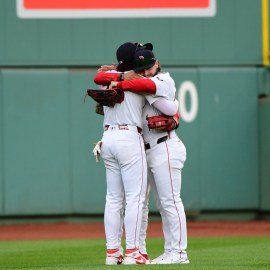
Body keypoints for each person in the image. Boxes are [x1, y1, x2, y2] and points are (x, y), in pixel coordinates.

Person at [93, 42, 179, 265]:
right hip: (129, 138)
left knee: (113, 199)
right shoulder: (138, 82)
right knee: (134, 198)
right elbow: (170, 109)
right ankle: (132, 251)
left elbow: (100, 79)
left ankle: (112, 252)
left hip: (107, 137)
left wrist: (117, 73)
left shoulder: (109, 76)